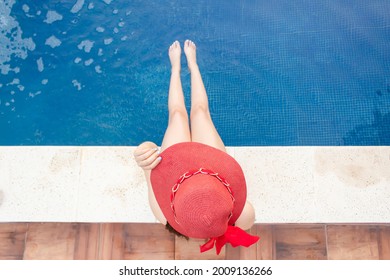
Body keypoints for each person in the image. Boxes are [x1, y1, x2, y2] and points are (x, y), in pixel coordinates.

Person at [134, 40, 259, 254]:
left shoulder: (162, 213)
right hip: (213, 171)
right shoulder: (245, 216)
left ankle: (175, 68)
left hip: (178, 175)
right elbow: (243, 213)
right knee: (200, 112)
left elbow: (149, 169)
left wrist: (142, 156)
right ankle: (193, 65)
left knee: (177, 115)